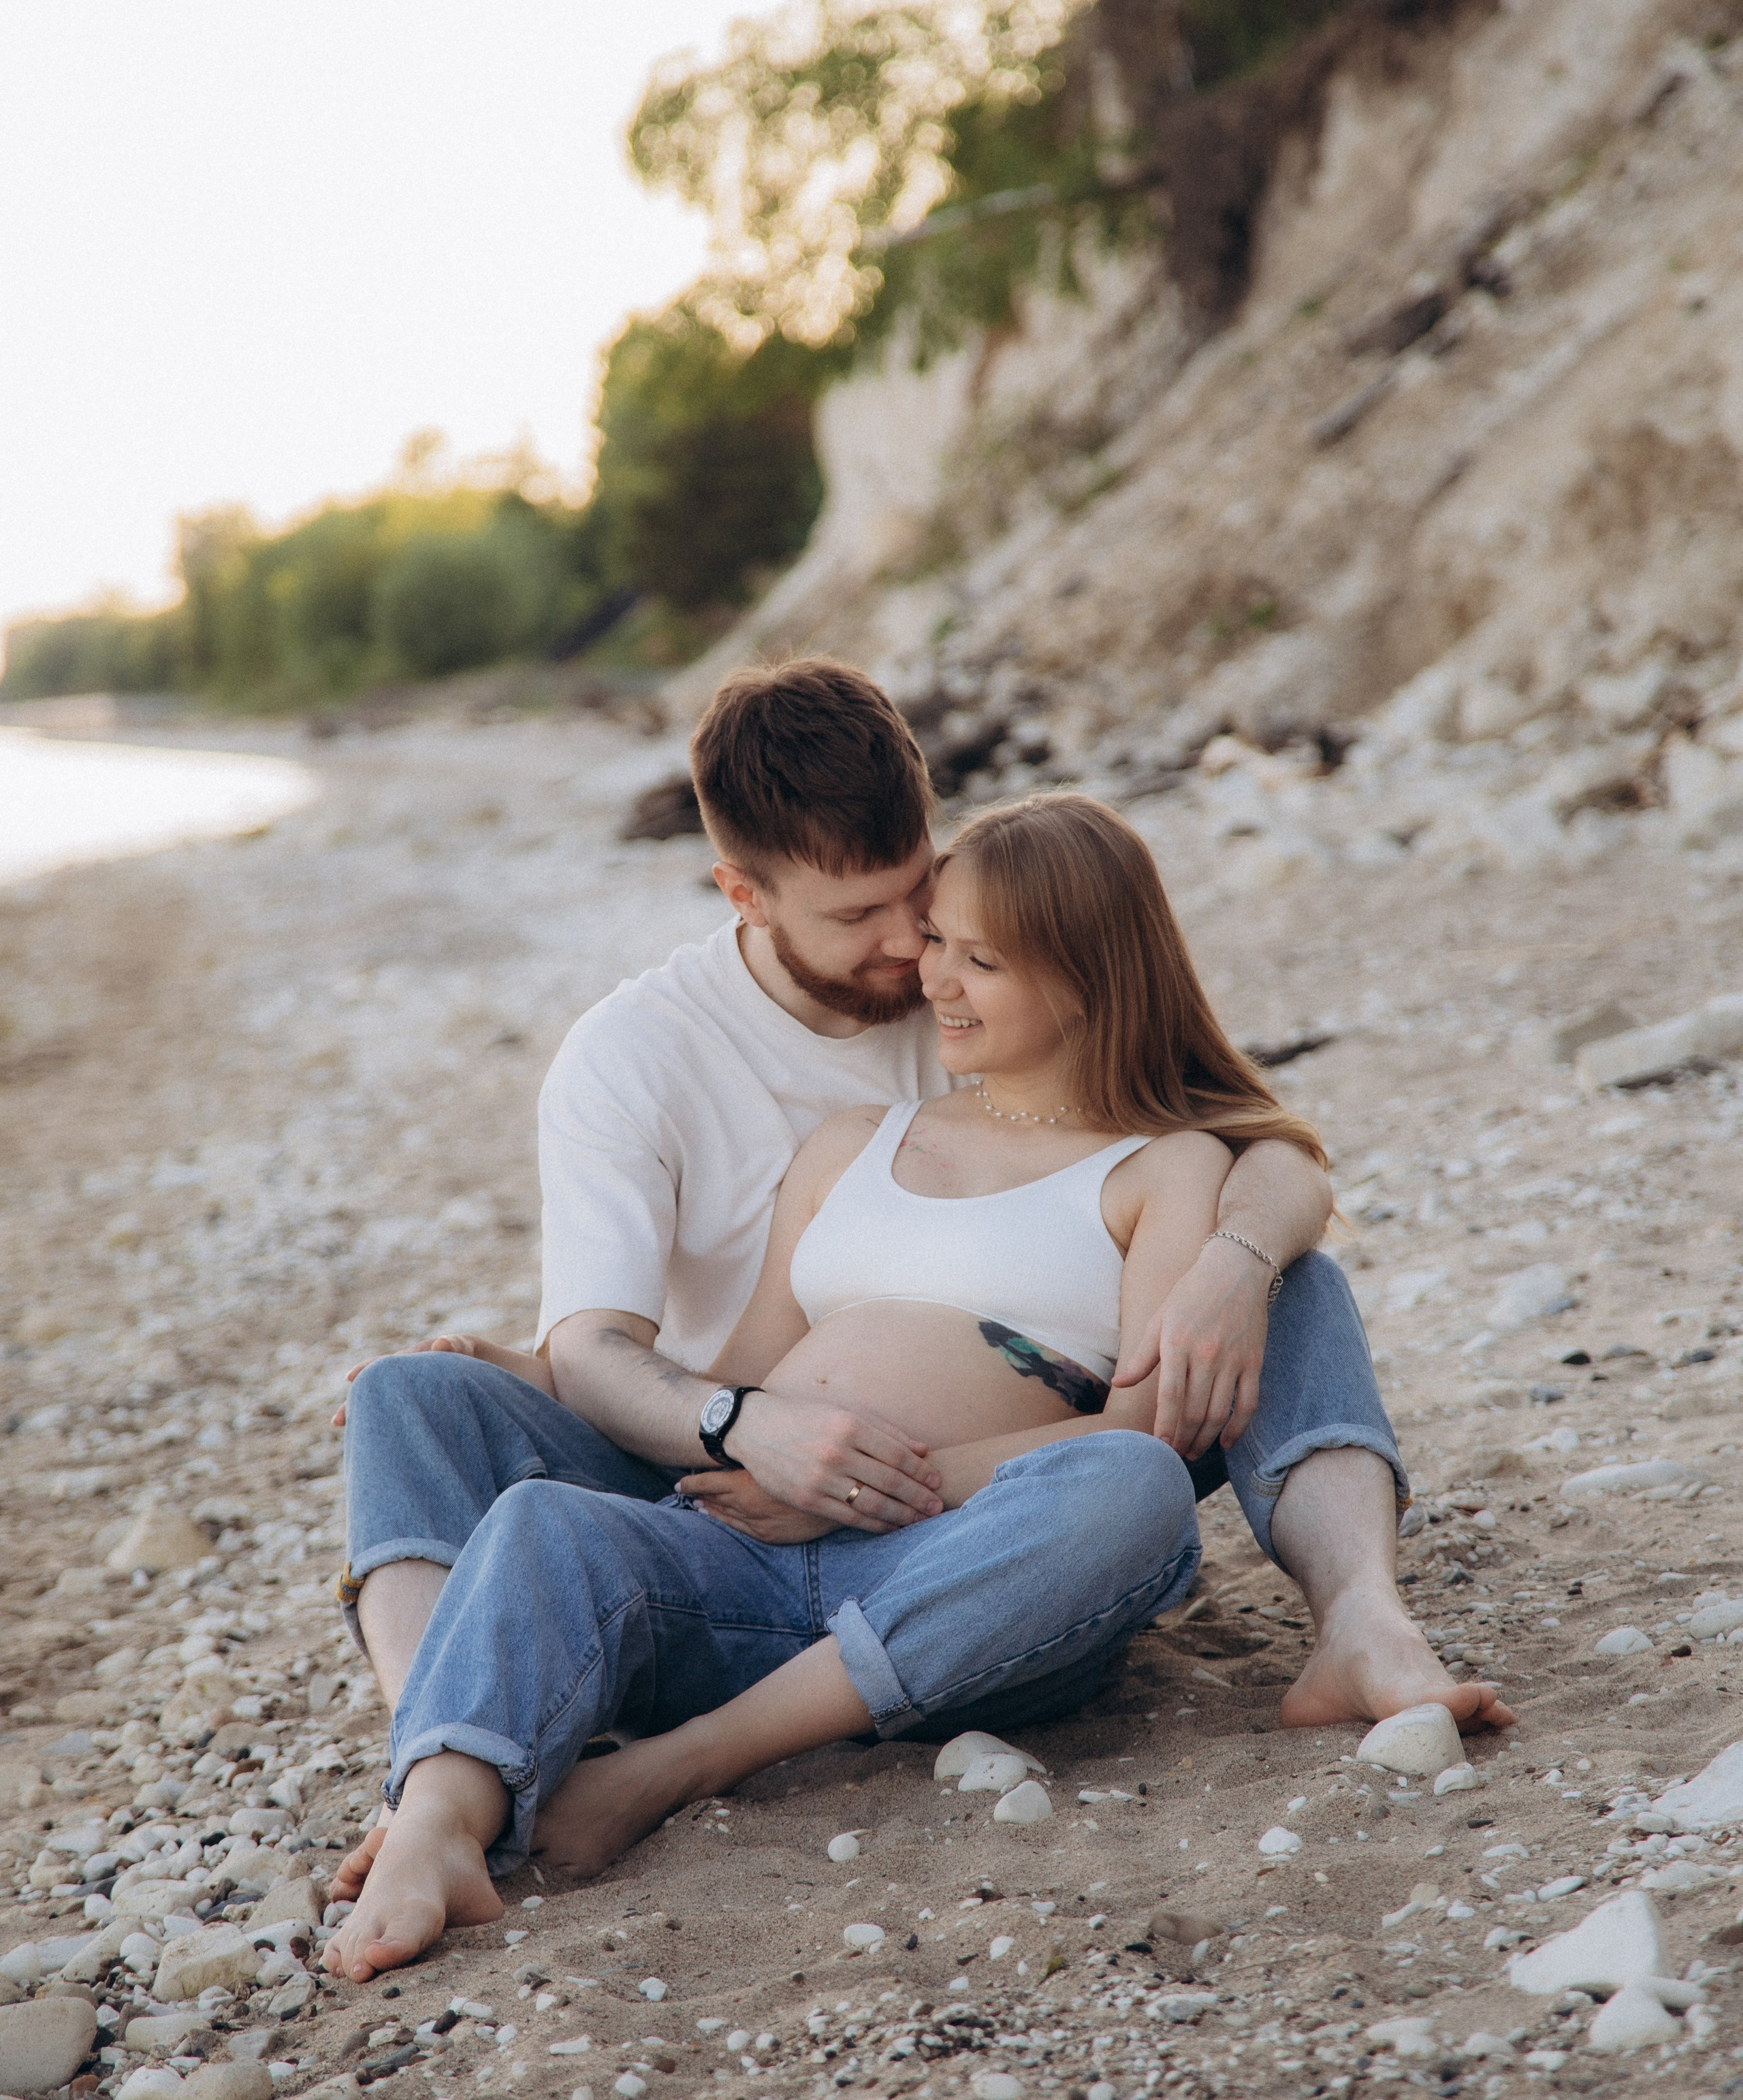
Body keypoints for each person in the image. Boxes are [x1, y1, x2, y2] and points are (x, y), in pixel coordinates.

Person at [325, 792, 1511, 1981]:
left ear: (1091, 982)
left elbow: (1141, 1423)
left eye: (975, 956)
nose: (929, 972)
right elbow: (731, 1376)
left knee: (1132, 1485)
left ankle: (678, 1763)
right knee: (523, 1500)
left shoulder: (1162, 1171)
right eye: (936, 939)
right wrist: (523, 1372)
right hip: (732, 1549)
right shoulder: (852, 1139)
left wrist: (878, 1486)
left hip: (944, 1575)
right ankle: (431, 1821)